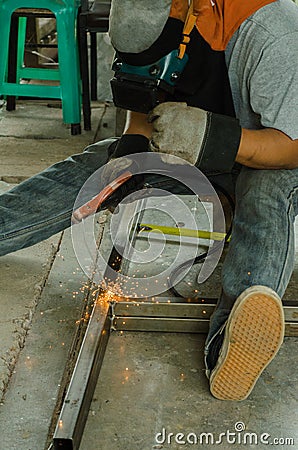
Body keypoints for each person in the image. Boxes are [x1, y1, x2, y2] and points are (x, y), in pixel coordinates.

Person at [1, 0, 298, 401]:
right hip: (211, 151)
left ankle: (234, 340)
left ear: (186, 22)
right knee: (102, 164)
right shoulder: (155, 18)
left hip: (279, 155)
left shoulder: (272, 32)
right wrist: (134, 147)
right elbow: (141, 99)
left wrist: (215, 138)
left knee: (264, 194)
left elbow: (291, 146)